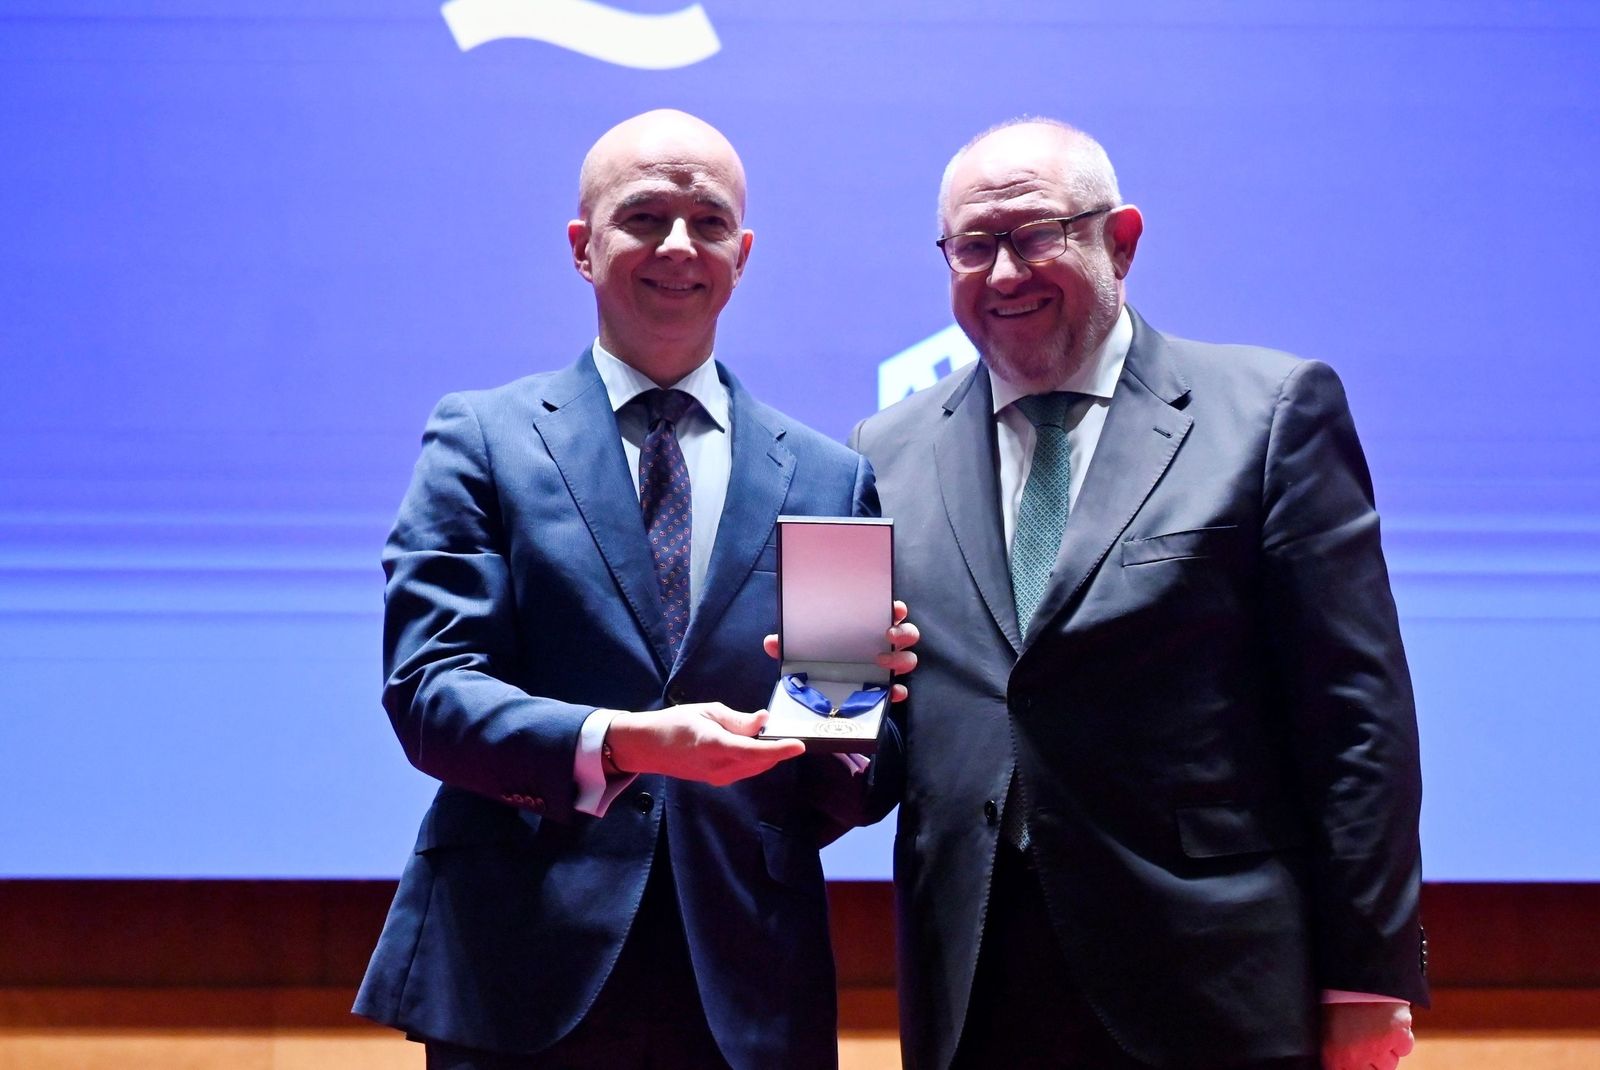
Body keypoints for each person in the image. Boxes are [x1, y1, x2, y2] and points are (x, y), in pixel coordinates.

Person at [851, 118, 1427, 1070]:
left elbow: (1357, 719)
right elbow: (897, 738)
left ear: (1120, 240)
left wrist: (1366, 979)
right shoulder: (886, 450)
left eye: (1036, 236)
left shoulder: (1269, 413)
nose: (1003, 274)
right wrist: (827, 707)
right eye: (973, 246)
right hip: (977, 979)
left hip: (1212, 979)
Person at [355, 108, 914, 1070]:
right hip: (521, 965)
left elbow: (852, 785)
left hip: (748, 976)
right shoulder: (484, 439)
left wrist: (857, 718)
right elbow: (430, 693)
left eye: (706, 221)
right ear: (583, 246)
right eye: (644, 217)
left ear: (742, 253)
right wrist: (625, 743)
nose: (677, 246)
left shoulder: (828, 477)